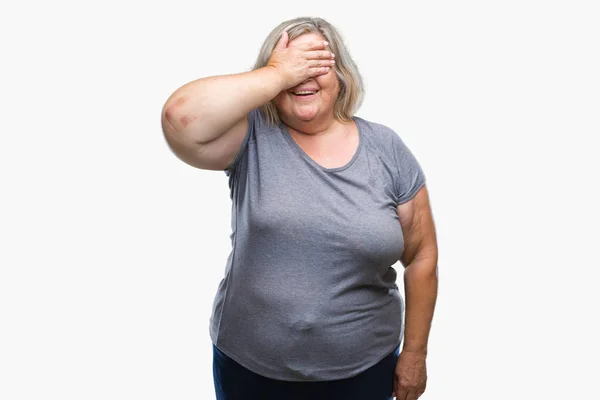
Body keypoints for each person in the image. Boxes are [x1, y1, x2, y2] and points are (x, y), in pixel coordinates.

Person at [161, 16, 438, 400]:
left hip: (364, 372)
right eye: (294, 64)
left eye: (316, 63)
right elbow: (181, 117)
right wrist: (278, 74)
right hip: (250, 371)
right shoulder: (251, 135)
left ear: (340, 74)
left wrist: (415, 353)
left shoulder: (386, 149)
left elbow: (422, 255)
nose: (302, 76)